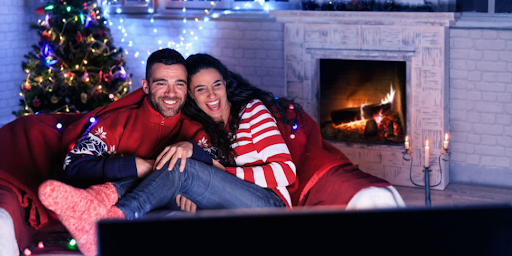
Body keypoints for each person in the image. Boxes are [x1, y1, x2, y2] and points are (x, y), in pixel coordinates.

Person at [39, 53, 298, 256]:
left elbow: (286, 172)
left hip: (271, 207)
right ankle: (94, 198)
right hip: (232, 207)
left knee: (180, 165)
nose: (211, 95)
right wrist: (187, 190)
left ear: (225, 85)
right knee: (168, 168)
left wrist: (218, 171)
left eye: (217, 85)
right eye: (200, 89)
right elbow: (199, 184)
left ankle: (114, 219)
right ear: (191, 97)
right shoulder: (204, 127)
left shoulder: (251, 111)